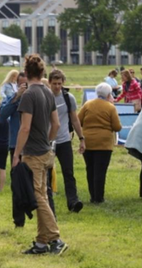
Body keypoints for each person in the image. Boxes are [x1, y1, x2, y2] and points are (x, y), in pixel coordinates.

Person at [12, 55, 67, 256]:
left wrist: (16, 154)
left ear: (26, 73)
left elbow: (24, 128)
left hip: (33, 154)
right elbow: (57, 124)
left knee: (38, 197)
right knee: (42, 195)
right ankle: (42, 242)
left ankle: (55, 238)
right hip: (46, 151)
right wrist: (48, 141)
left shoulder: (28, 95)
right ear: (43, 73)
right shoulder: (48, 92)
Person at [77, 83, 122, 204]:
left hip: (88, 142)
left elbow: (78, 120)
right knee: (100, 171)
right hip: (104, 143)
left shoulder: (88, 104)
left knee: (90, 169)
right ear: (108, 94)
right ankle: (99, 197)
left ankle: (92, 195)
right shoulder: (110, 107)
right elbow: (117, 127)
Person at [48, 70, 85, 213]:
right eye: (54, 84)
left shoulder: (68, 98)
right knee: (47, 173)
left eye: (59, 83)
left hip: (64, 140)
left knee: (68, 172)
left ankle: (73, 201)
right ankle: (46, 202)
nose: (57, 87)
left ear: (63, 83)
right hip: (48, 141)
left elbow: (74, 119)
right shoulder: (46, 97)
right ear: (49, 83)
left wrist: (81, 138)